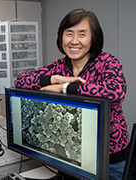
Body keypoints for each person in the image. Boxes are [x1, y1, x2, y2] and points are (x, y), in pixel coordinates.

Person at [15, 8, 129, 180]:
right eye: (69, 34)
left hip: (109, 156)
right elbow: (21, 80)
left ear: (93, 38)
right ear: (61, 37)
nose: (74, 41)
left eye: (82, 34)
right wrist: (53, 79)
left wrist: (65, 88)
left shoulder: (107, 62)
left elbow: (116, 92)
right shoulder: (58, 66)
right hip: (71, 155)